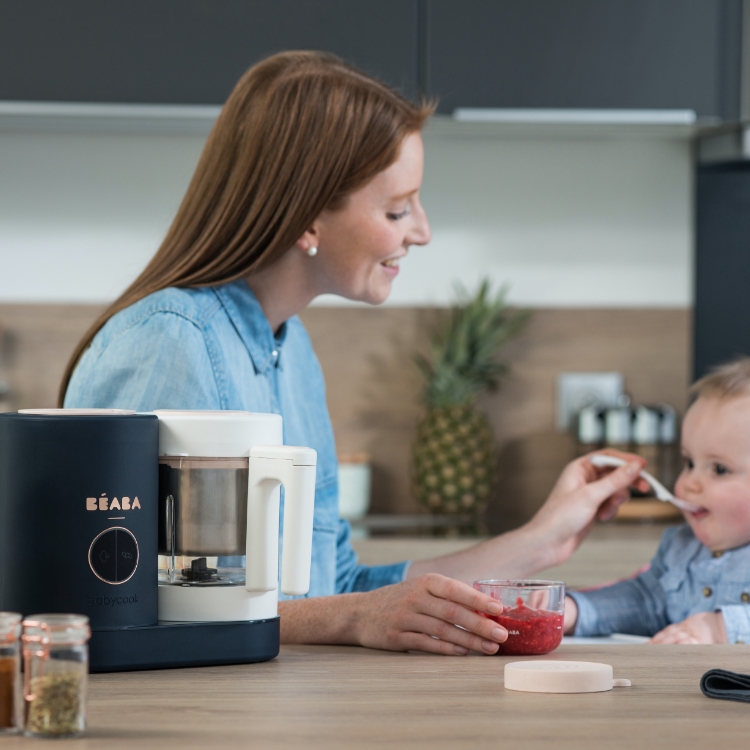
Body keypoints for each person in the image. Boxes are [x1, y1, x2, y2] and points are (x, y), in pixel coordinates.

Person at [62, 51, 646, 656]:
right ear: (307, 217)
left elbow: (335, 589)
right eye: (397, 209)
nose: (421, 231)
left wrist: (544, 539)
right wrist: (352, 618)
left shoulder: (290, 350)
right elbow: (114, 605)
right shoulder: (169, 343)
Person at [564, 357, 750, 645]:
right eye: (689, 462)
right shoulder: (680, 548)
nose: (689, 482)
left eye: (719, 469)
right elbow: (644, 601)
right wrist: (576, 611)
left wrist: (720, 629)